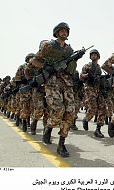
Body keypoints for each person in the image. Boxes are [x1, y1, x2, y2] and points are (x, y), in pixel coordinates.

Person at [30, 22, 82, 157]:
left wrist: (75, 59)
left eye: (66, 31)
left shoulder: (70, 50)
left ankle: (61, 143)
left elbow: (71, 69)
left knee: (70, 111)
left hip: (66, 83)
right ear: (57, 32)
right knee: (59, 110)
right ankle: (49, 127)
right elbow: (34, 61)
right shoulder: (49, 46)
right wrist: (45, 67)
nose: (64, 32)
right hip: (52, 83)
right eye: (62, 30)